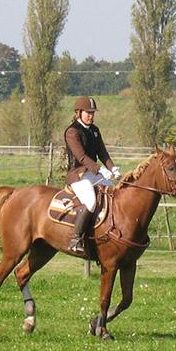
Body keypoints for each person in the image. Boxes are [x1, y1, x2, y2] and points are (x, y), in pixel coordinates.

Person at [64, 96, 119, 255]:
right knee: (91, 201)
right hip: (78, 175)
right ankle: (76, 239)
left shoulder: (94, 130)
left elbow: (102, 152)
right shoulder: (72, 131)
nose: (91, 116)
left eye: (93, 113)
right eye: (88, 112)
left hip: (93, 174)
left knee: (114, 193)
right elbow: (81, 157)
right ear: (78, 112)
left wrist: (113, 168)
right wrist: (100, 170)